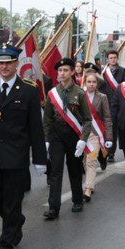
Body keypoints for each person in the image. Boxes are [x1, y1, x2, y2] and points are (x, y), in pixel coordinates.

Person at [0, 43, 46, 249]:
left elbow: (35, 127)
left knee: (12, 200)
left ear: (16, 63)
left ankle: (5, 244)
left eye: (8, 63)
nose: (3, 67)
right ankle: (15, 220)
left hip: (16, 156)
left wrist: (40, 159)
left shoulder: (29, 90)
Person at [42, 58, 90, 219]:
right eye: (60, 70)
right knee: (55, 171)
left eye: (65, 70)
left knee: (74, 169)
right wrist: (47, 139)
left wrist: (83, 139)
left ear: (71, 72)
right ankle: (53, 208)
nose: (62, 73)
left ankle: (77, 200)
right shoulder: (52, 93)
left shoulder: (80, 93)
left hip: (73, 135)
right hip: (56, 134)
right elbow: (47, 119)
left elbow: (87, 119)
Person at [82, 69, 113, 201]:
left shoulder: (103, 97)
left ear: (97, 83)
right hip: (81, 134)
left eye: (94, 82)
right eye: (89, 81)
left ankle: (88, 188)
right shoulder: (79, 95)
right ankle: (89, 184)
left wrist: (109, 137)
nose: (91, 84)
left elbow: (107, 117)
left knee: (91, 160)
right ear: (85, 82)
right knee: (84, 161)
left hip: (95, 135)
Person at [100, 50, 125, 162]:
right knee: (106, 129)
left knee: (115, 129)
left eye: (114, 57)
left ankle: (112, 152)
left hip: (119, 105)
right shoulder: (103, 72)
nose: (113, 59)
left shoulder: (123, 71)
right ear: (107, 59)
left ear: (117, 58)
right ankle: (106, 151)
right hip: (106, 103)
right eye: (110, 58)